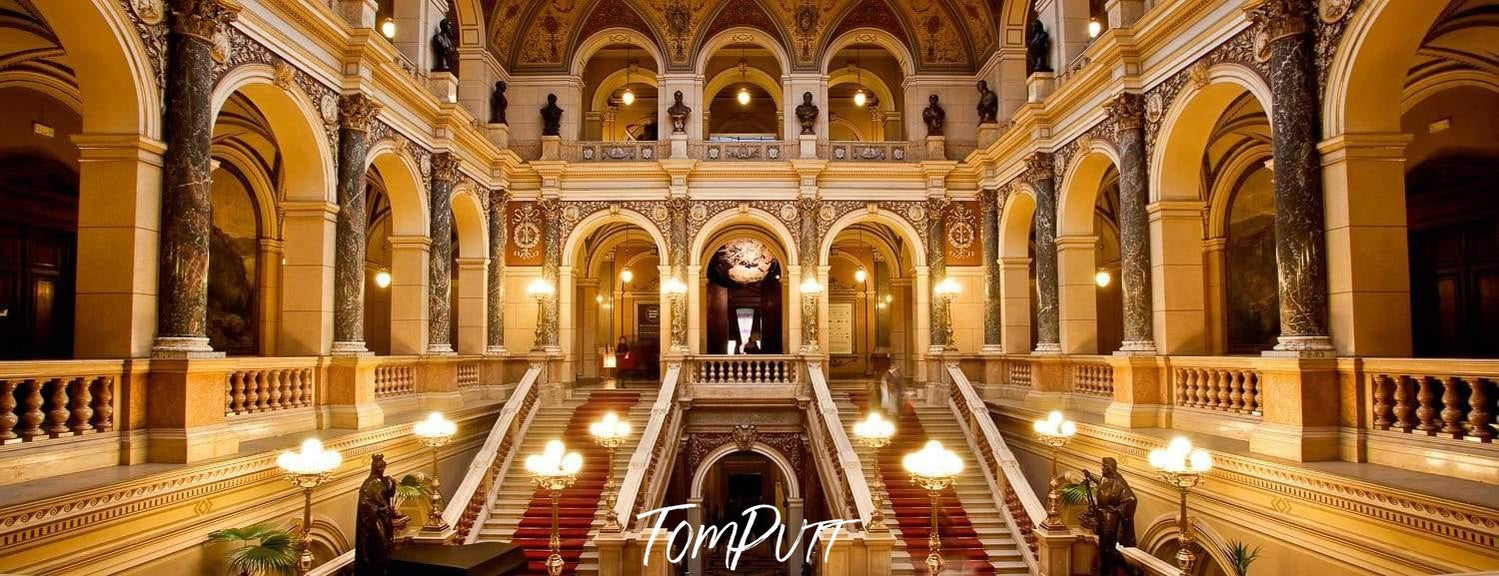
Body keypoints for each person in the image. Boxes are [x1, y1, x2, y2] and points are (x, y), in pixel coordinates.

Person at [1084, 457, 1141, 576]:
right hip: (1101, 516)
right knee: (1103, 549)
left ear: (1110, 467)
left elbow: (1131, 499)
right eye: (1102, 465)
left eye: (1104, 466)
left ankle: (1126, 570)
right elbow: (1101, 483)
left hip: (1110, 520)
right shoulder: (1105, 478)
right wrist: (1089, 476)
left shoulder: (1119, 482)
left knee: (1108, 549)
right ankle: (1109, 571)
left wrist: (1116, 509)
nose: (1102, 468)